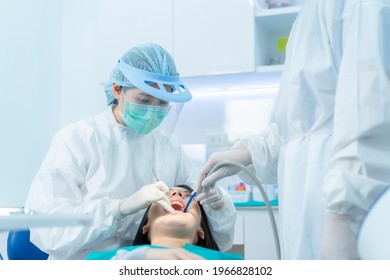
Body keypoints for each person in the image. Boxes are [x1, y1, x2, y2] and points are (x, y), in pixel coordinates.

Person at [198, 0, 390, 259]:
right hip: (310, 210)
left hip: (350, 210)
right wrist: (248, 154)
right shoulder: (306, 17)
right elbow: (296, 132)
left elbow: (371, 110)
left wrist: (346, 214)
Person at [25, 43, 236, 259]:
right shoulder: (76, 140)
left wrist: (218, 206)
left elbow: (216, 235)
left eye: (162, 102)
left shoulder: (168, 146)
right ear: (117, 90)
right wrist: (117, 210)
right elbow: (49, 232)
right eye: (144, 100)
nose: (153, 110)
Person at [86, 185, 243, 260]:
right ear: (146, 226)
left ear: (200, 229)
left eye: (188, 195)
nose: (177, 193)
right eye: (166, 194)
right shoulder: (107, 260)